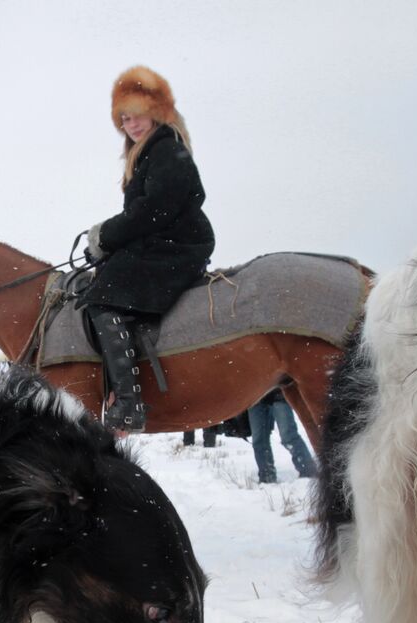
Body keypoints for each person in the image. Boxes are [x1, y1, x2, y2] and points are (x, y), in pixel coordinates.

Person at [81, 66, 215, 432]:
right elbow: (144, 215)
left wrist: (106, 237)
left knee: (103, 298)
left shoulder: (167, 149)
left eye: (137, 115)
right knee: (106, 278)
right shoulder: (148, 153)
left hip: (177, 246)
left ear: (155, 112)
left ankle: (128, 402)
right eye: (125, 119)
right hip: (161, 243)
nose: (132, 124)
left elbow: (152, 211)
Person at [247, 389, 316, 484]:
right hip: (255, 398)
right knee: (259, 441)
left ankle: (308, 472)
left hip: (278, 395)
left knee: (289, 437)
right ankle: (266, 477)